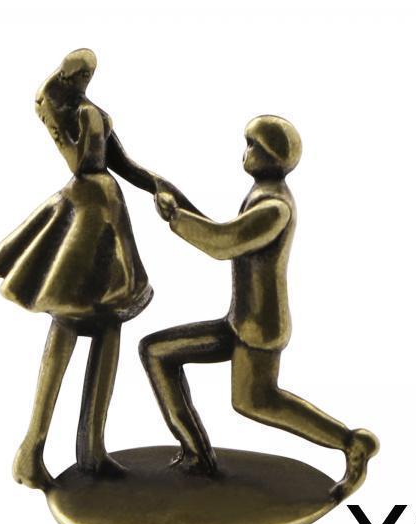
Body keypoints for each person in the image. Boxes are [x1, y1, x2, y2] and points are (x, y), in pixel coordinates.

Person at [139, 115, 378, 500]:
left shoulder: (274, 208)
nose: (245, 153)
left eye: (252, 146)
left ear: (272, 155)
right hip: (240, 321)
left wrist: (175, 218)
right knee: (157, 351)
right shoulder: (261, 197)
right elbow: (222, 230)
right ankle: (197, 455)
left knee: (256, 402)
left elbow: (223, 243)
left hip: (260, 327)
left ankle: (351, 442)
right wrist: (177, 200)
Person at [0, 49, 182, 489]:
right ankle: (32, 449)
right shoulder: (74, 117)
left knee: (110, 323)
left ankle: (91, 447)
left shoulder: (90, 113)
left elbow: (121, 163)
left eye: (87, 74)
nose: (85, 79)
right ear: (66, 78)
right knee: (70, 319)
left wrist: (156, 184)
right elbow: (85, 164)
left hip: (105, 212)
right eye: (79, 74)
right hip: (87, 213)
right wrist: (86, 127)